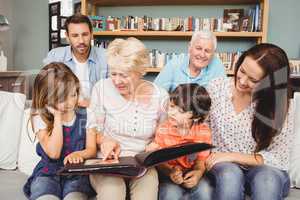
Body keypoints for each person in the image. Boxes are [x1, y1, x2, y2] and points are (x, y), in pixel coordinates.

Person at [205, 43, 294, 200]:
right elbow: (201, 130)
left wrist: (231, 156)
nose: (242, 81)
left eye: (253, 79)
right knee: (229, 175)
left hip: (266, 170)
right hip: (225, 168)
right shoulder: (216, 88)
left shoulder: (280, 106)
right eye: (242, 70)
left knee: (267, 181)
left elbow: (278, 157)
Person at [86, 37, 169, 200]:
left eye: (123, 75)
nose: (117, 81)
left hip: (142, 163)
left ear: (139, 71)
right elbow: (93, 128)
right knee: (113, 194)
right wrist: (104, 141)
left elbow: (164, 135)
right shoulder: (101, 89)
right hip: (106, 162)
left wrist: (157, 145)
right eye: (113, 73)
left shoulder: (160, 96)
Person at [23, 62, 97, 200]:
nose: (70, 102)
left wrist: (79, 153)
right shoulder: (39, 116)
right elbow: (54, 153)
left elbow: (92, 149)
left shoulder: (87, 114)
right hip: (47, 174)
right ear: (47, 97)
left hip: (77, 174)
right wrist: (57, 117)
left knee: (74, 196)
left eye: (73, 94)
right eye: (62, 98)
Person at [146, 83, 212, 200]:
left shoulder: (204, 131)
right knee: (170, 194)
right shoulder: (163, 129)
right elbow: (159, 162)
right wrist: (170, 172)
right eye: (171, 106)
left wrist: (197, 173)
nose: (172, 113)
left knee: (205, 191)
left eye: (181, 111)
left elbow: (201, 161)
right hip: (169, 176)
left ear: (195, 116)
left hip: (191, 173)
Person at [43, 14, 108, 107]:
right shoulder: (55, 56)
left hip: (97, 112)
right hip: (64, 111)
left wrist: (93, 104)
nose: (81, 41)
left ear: (92, 34)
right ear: (67, 37)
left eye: (85, 34)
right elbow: (46, 91)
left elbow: (113, 94)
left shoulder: (106, 57)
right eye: (75, 36)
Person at [154, 30, 226, 92]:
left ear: (213, 53)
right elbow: (157, 94)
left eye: (207, 51)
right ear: (190, 47)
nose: (202, 55)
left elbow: (223, 97)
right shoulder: (174, 65)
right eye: (198, 48)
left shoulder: (217, 66)